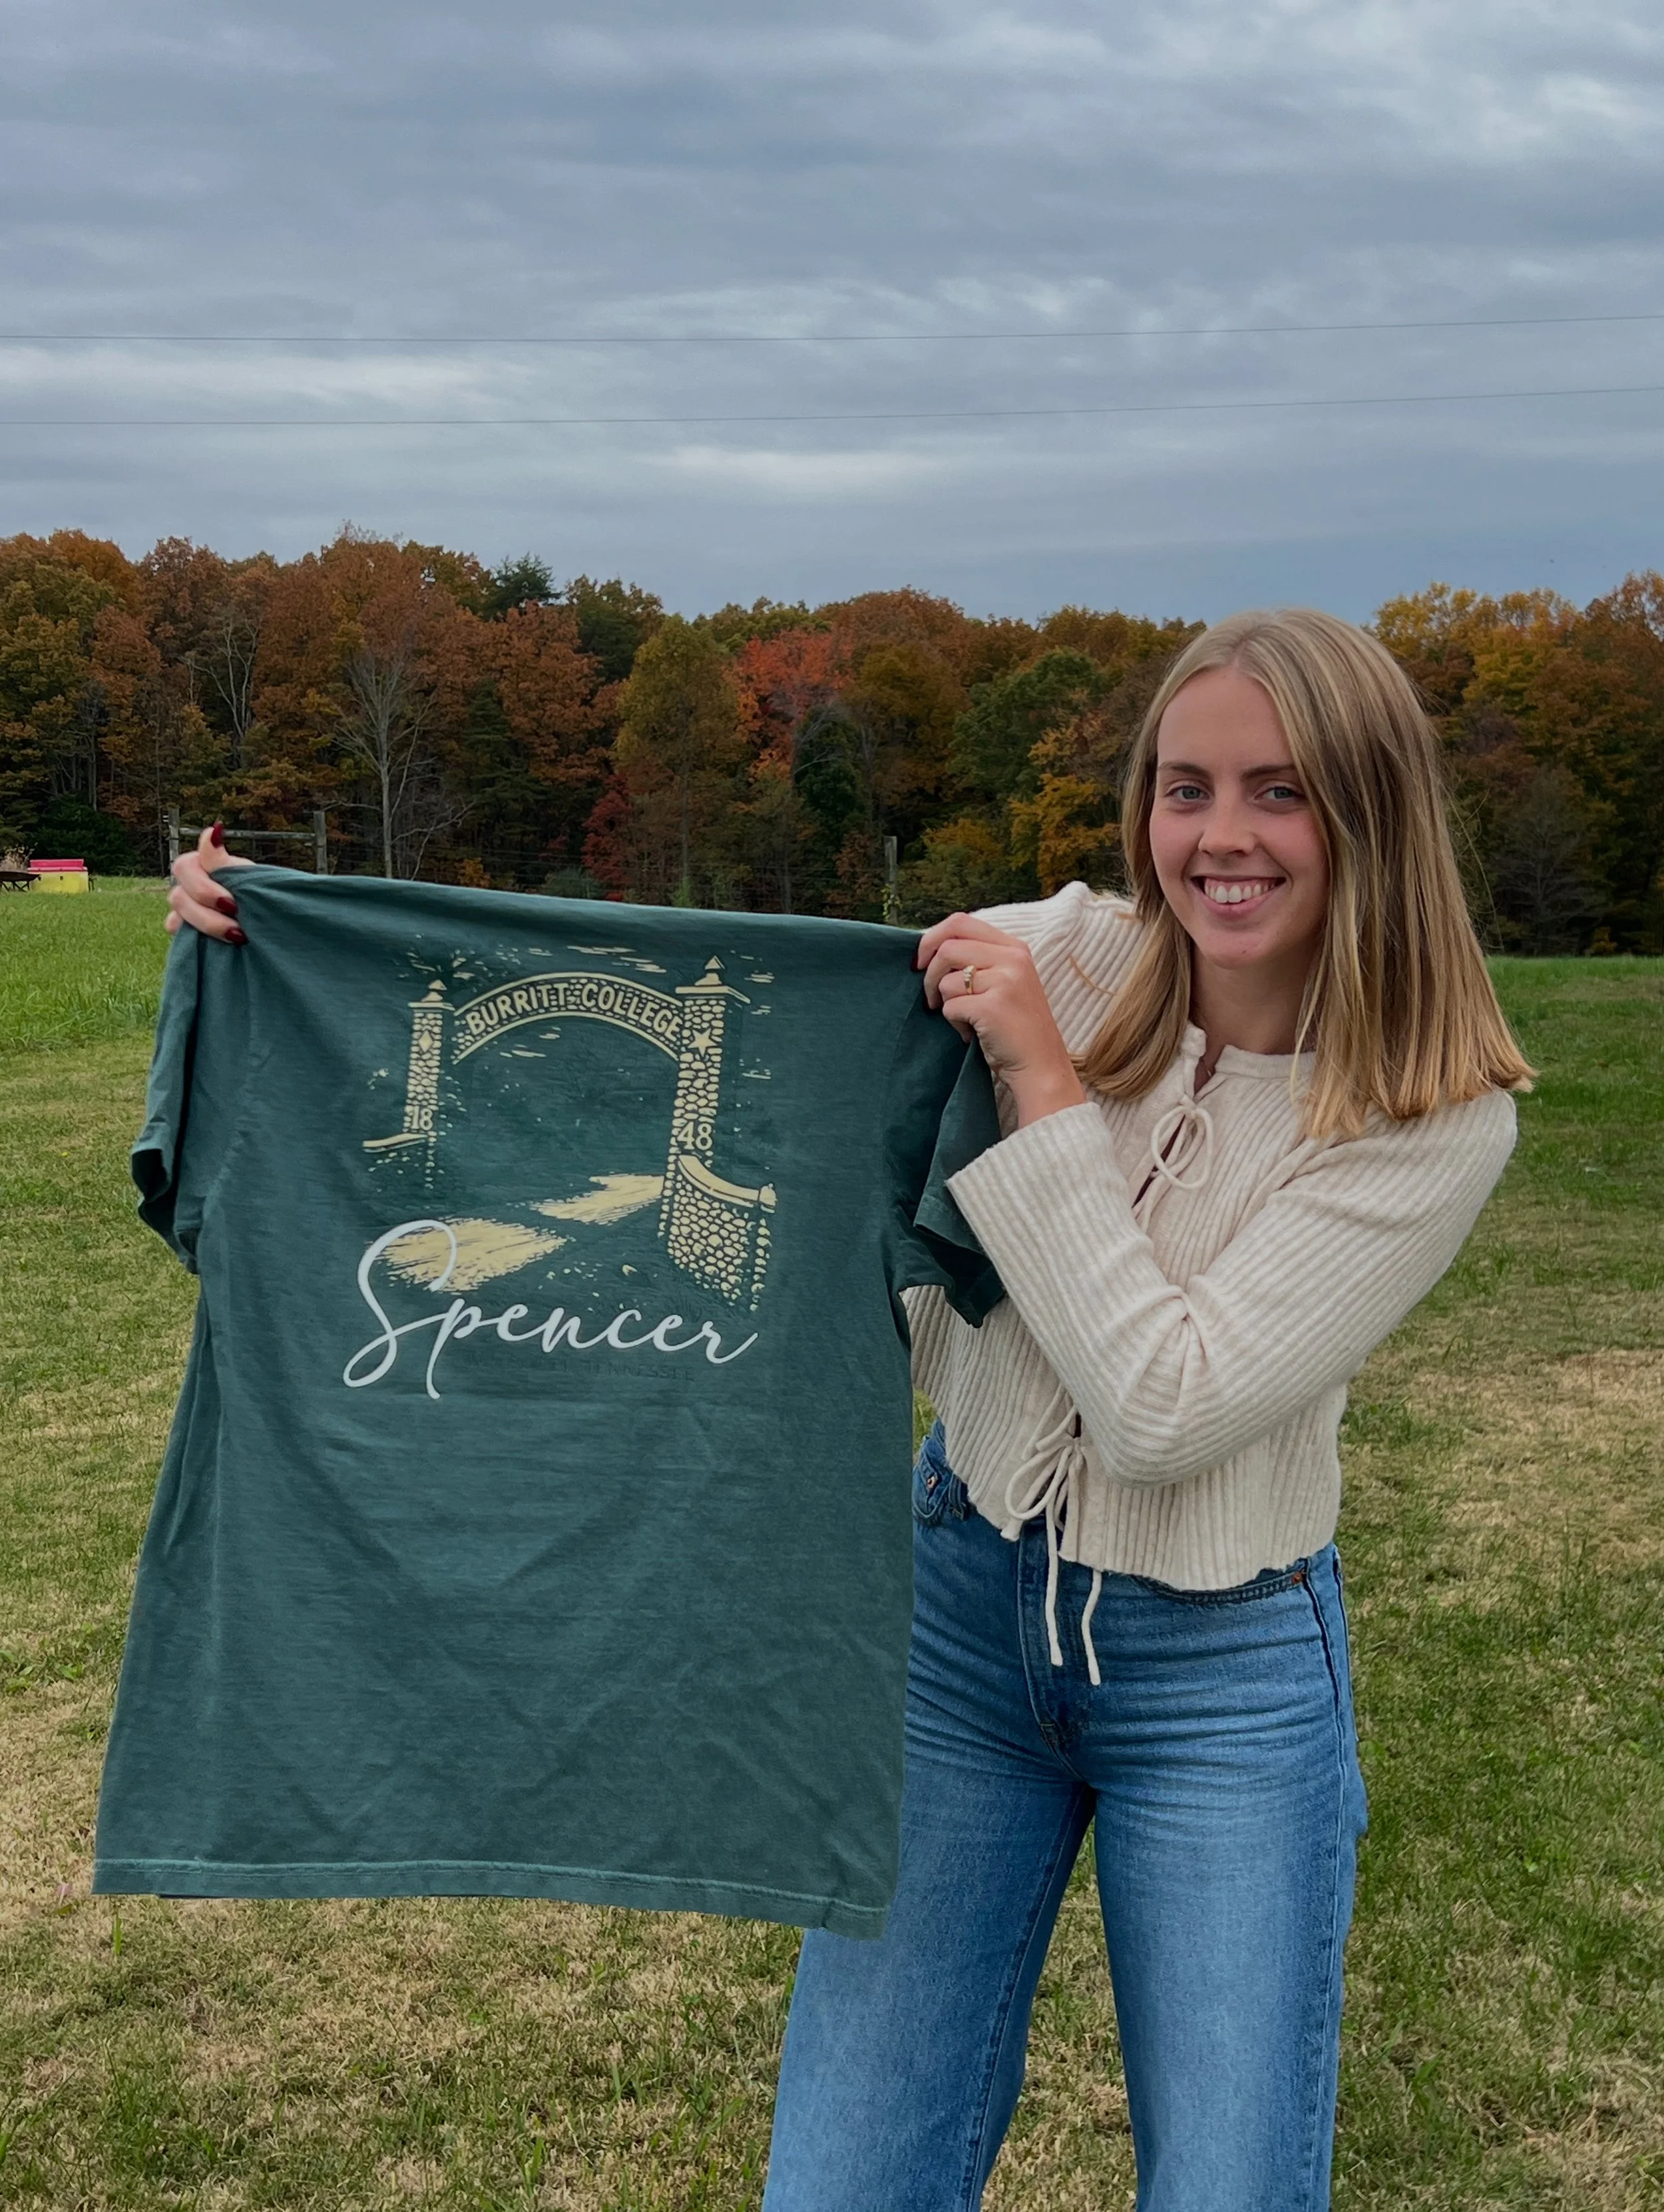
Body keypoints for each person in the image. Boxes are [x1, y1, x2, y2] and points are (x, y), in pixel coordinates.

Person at [168, 607, 1532, 2212]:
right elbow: (737, 998)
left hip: (1222, 1673)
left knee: (1229, 2183)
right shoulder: (1073, 951)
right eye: (1183, 787)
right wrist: (309, 936)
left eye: (1279, 792)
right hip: (951, 1619)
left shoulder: (1430, 1115)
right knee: (845, 2175)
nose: (1219, 837)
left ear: (1370, 811)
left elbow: (1164, 1401)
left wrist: (1037, 1087)